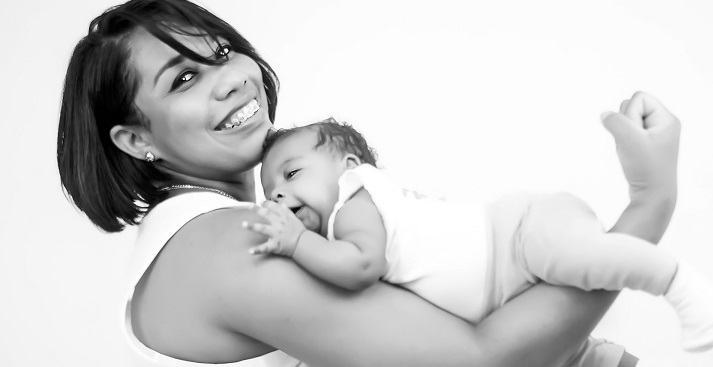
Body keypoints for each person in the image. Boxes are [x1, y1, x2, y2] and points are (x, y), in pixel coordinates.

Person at [56, 0, 680, 365]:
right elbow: (480, 362)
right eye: (182, 79)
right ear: (135, 140)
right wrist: (649, 207)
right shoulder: (236, 242)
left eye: (221, 53)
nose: (230, 80)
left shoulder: (194, 241)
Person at [246, 116, 713, 359]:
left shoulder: (355, 202)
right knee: (579, 348)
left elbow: (360, 268)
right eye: (271, 190)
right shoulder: (371, 210)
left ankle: (676, 280)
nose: (281, 192)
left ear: (348, 167)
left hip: (517, 239)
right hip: (508, 286)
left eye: (291, 173)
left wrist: (294, 242)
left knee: (595, 261)